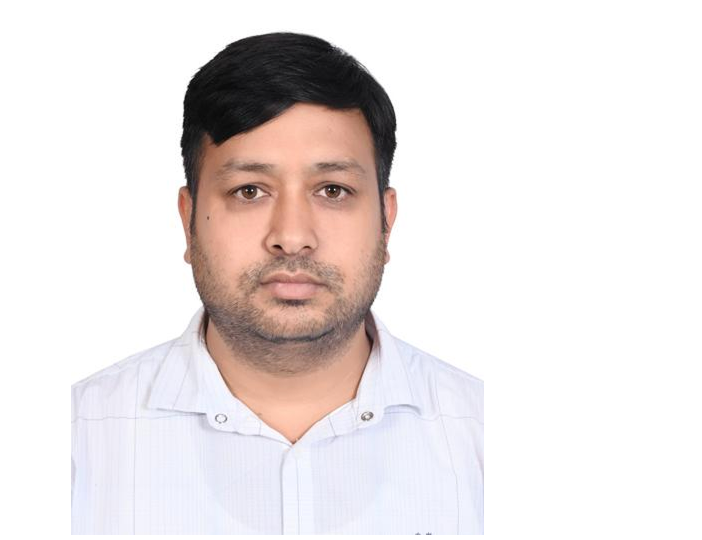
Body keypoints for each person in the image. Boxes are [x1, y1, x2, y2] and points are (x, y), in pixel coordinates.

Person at [71, 31, 483, 535]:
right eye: (249, 191)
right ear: (188, 219)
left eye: (333, 190)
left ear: (386, 220)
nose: (291, 237)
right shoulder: (79, 443)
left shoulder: (482, 434)